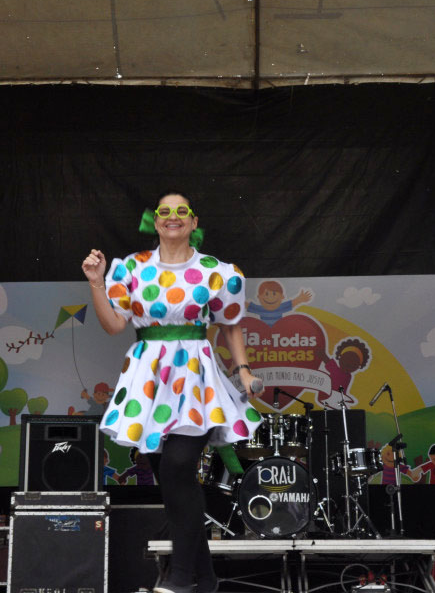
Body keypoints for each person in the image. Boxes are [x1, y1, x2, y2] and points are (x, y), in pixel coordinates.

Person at [82, 191, 263, 593]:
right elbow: (114, 325)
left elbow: (230, 324)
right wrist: (96, 283)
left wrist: (244, 370)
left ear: (193, 222)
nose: (173, 216)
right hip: (149, 383)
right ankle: (207, 578)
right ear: (156, 221)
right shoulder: (133, 267)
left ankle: (180, 577)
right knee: (172, 481)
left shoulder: (216, 272)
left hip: (195, 380)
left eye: (182, 211)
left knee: (178, 467)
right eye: (165, 211)